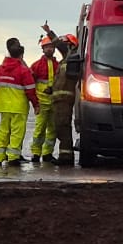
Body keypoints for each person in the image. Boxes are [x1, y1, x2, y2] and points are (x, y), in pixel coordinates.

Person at [0, 37, 39, 166]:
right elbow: (30, 91)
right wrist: (36, 105)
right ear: (21, 55)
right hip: (18, 107)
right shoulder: (23, 71)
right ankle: (13, 157)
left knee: (3, 131)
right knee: (17, 133)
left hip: (3, 106)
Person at [42, 23, 78, 165]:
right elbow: (60, 80)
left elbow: (58, 44)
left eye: (65, 44)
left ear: (71, 45)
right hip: (59, 99)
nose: (61, 47)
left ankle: (66, 158)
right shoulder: (65, 60)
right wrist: (51, 89)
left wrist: (50, 32)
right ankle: (65, 156)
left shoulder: (72, 57)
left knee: (63, 126)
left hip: (65, 99)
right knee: (60, 127)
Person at [29, 36, 60, 163]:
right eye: (47, 47)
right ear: (43, 49)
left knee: (52, 129)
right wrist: (35, 103)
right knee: (39, 129)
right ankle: (36, 153)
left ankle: (48, 153)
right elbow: (30, 84)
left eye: (51, 47)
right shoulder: (36, 66)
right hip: (42, 102)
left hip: (54, 102)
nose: (50, 49)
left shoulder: (58, 65)